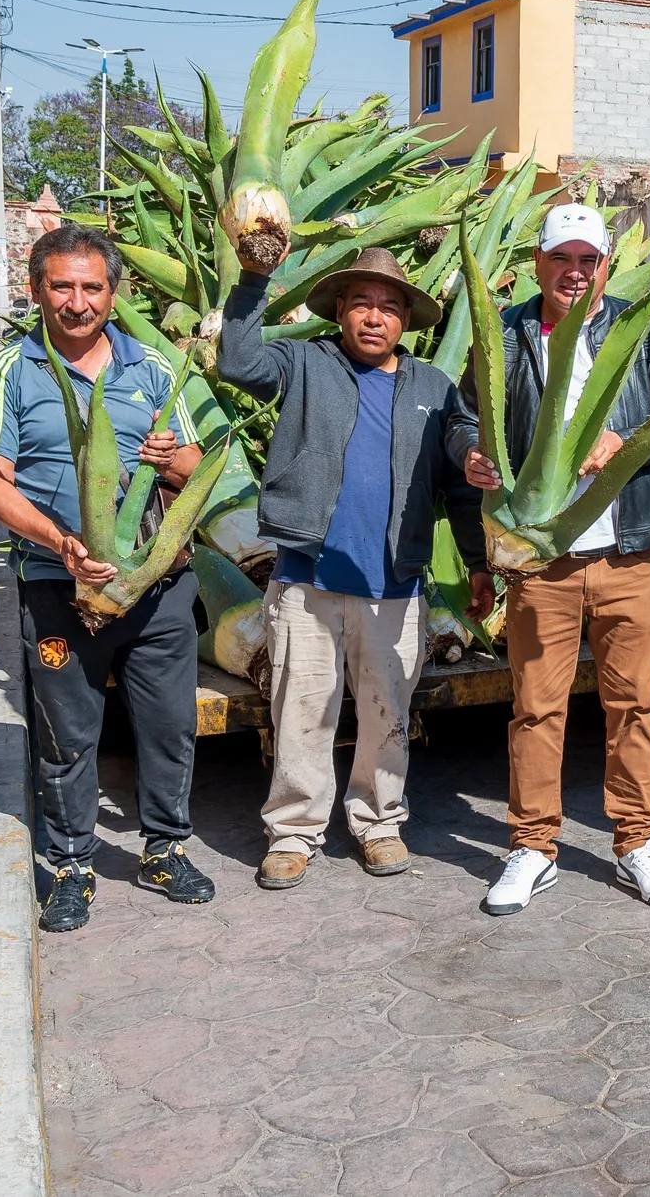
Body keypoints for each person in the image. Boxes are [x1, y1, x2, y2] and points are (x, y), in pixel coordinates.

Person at [0, 225, 212, 933]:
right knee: (67, 732)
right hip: (56, 584)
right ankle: (70, 865)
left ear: (113, 291)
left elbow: (195, 468)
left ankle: (165, 849)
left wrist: (170, 459)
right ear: (38, 289)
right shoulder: (10, 371)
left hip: (157, 588)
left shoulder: (154, 368)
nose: (77, 301)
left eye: (91, 286)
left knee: (168, 726)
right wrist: (61, 542)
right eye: (62, 286)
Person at [456, 204, 650, 914]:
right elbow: (459, 414)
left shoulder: (644, 332)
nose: (575, 272)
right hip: (542, 558)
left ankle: (636, 842)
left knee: (635, 704)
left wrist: (625, 440)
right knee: (536, 708)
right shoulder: (504, 335)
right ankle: (532, 846)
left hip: (627, 552)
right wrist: (468, 454)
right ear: (537, 263)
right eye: (561, 258)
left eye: (588, 260)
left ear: (605, 266)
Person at [220, 243, 480, 891]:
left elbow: (463, 484)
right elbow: (238, 359)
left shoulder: (432, 388)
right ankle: (293, 831)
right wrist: (255, 276)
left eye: (389, 306)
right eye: (361, 302)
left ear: (406, 321)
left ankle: (379, 821)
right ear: (339, 310)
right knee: (302, 708)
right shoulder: (307, 362)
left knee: (387, 711)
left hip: (394, 584)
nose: (374, 316)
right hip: (307, 579)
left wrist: (479, 564)